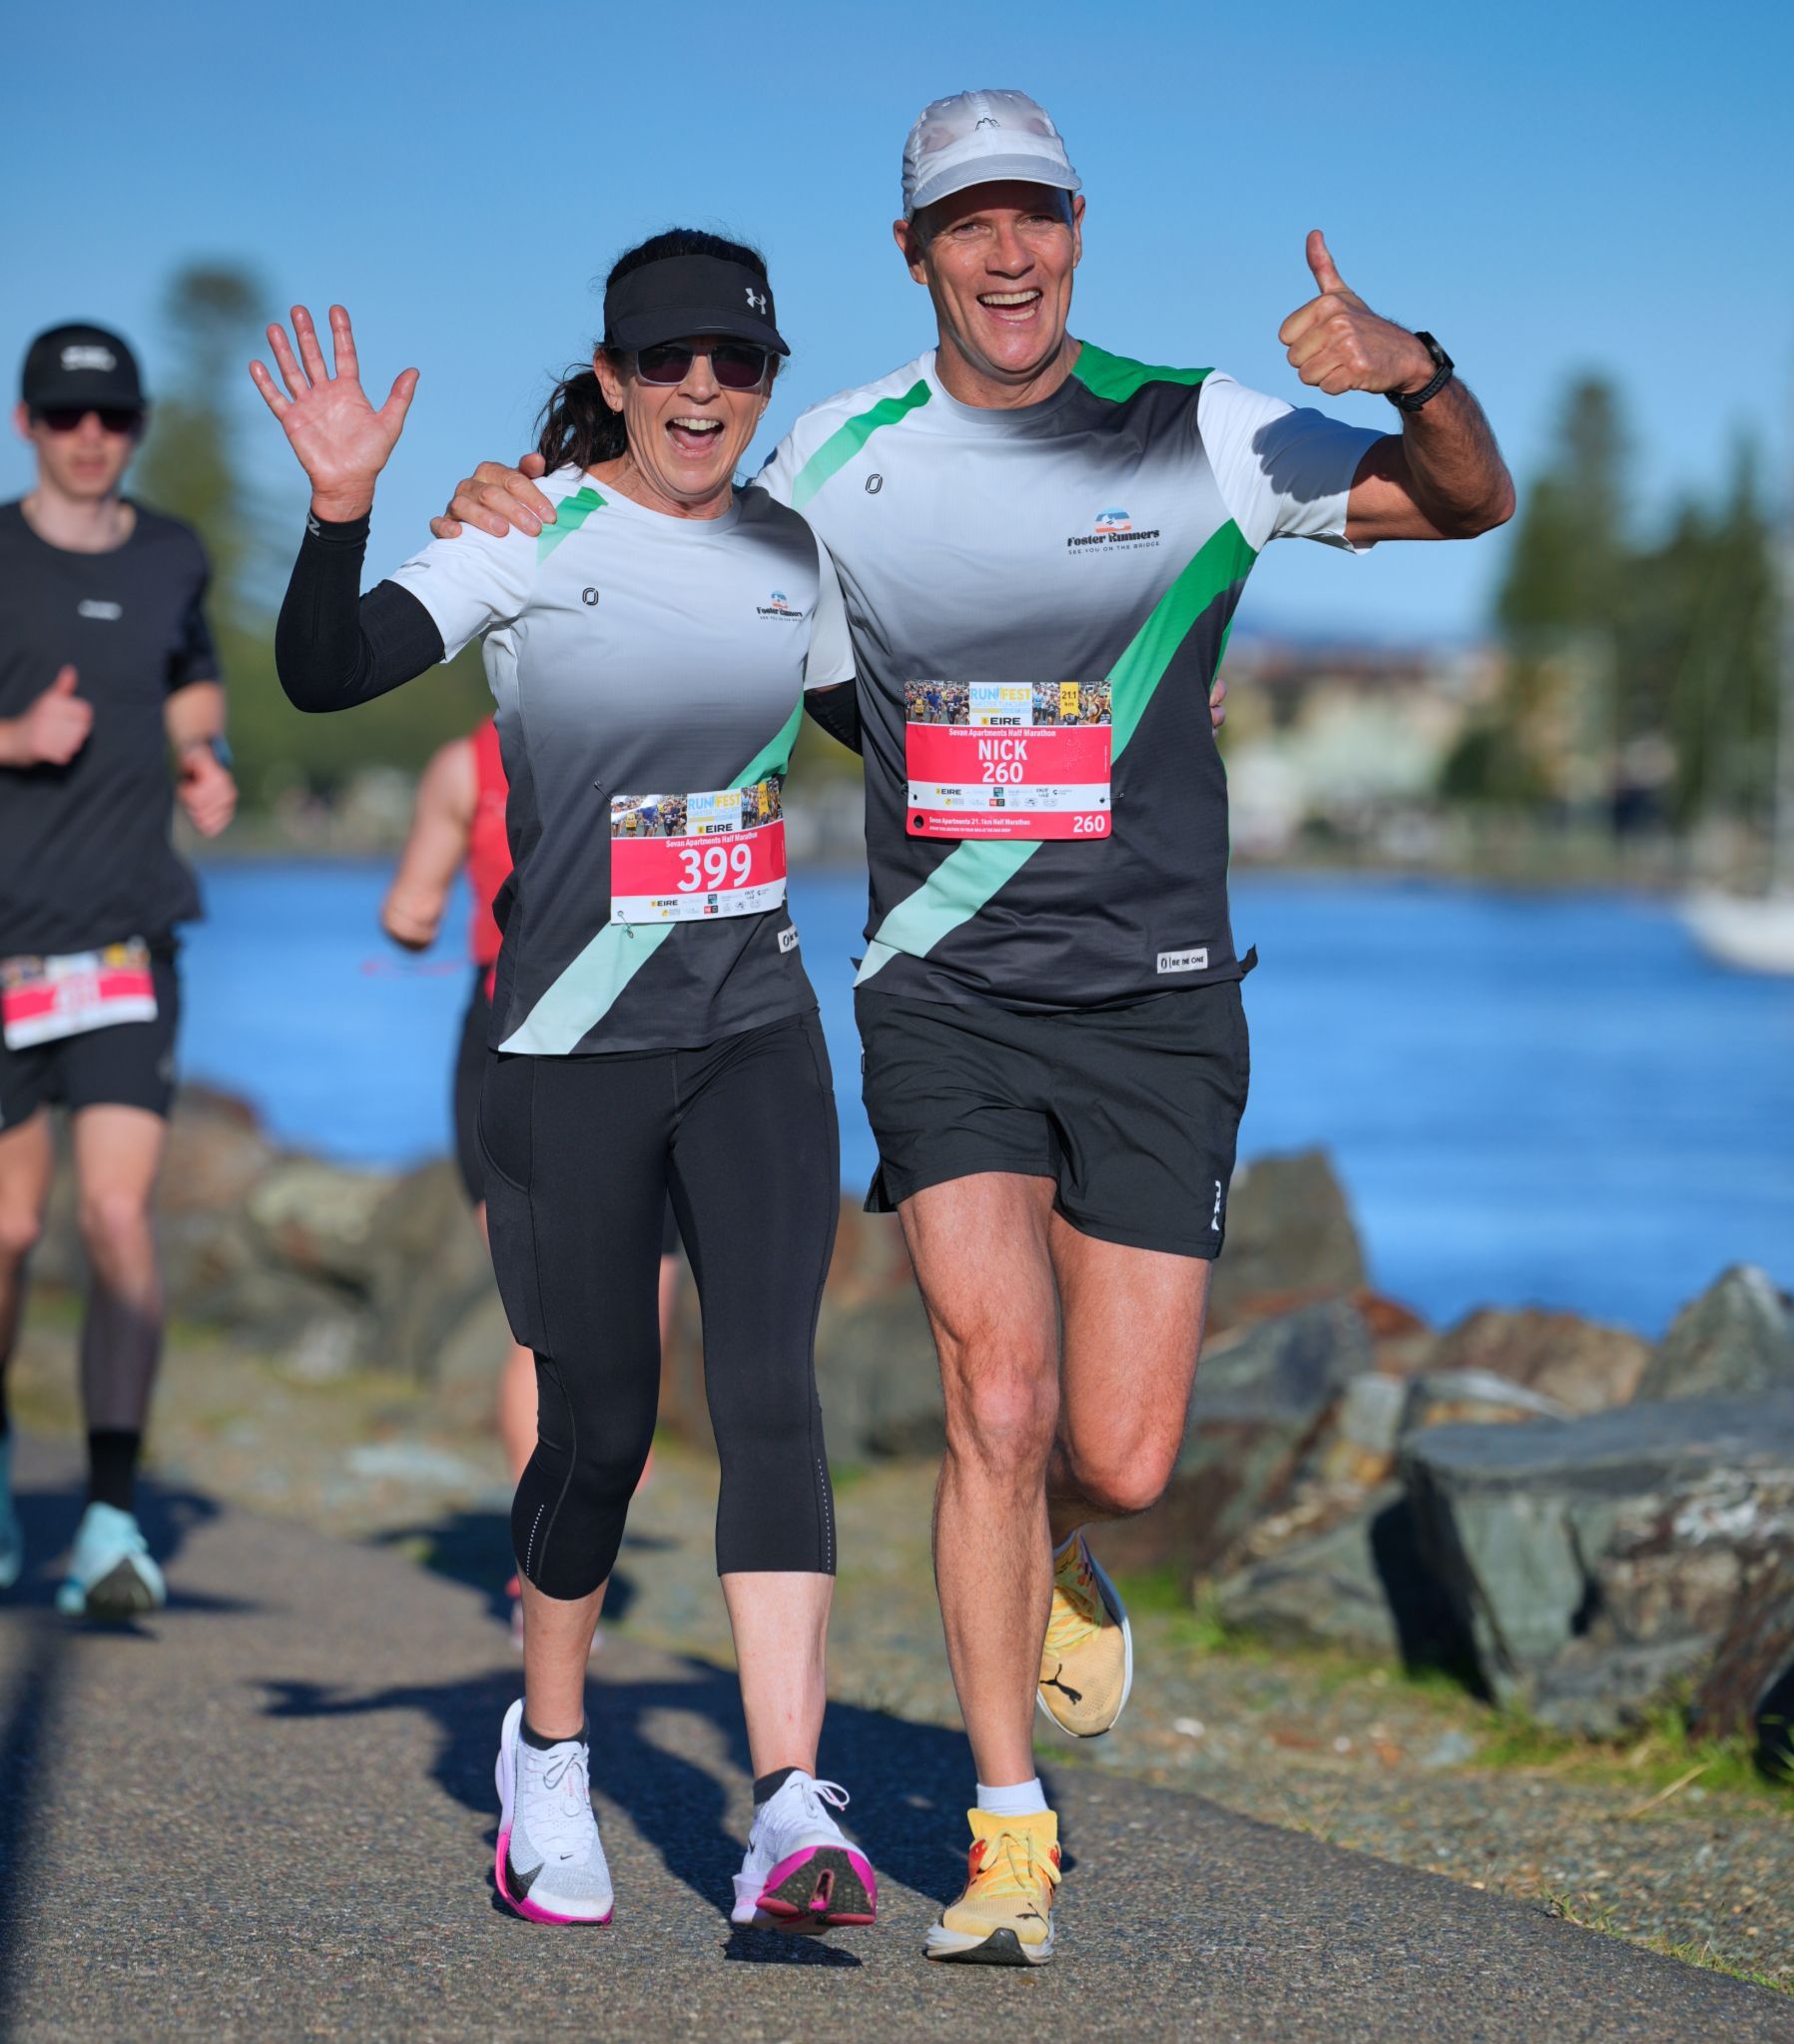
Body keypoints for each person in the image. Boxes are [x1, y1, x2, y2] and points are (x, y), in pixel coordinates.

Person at [440, 90, 1514, 1967]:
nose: (1008, 254)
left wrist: (1421, 375)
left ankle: (1068, 1555)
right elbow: (698, 562)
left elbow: (1463, 497)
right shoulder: (842, 456)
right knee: (991, 1400)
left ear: (1076, 232)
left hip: (1162, 1000)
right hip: (937, 987)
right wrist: (512, 502)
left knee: (1128, 1443)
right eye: (968, 224)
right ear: (912, 251)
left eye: (1037, 218)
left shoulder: (1205, 427)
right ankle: (1003, 1823)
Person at [252, 231, 876, 1935]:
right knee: (598, 1430)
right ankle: (546, 1749)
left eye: (735, 365)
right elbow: (326, 668)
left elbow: (896, 738)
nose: (700, 391)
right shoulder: (526, 531)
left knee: (767, 1395)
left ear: (765, 382)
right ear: (610, 377)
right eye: (665, 361)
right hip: (570, 1050)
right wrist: (338, 508)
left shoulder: (786, 553)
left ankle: (789, 1804)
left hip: (754, 1027)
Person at [0, 323, 237, 1619]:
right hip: (4, 936)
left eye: (111, 418)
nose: (90, 438)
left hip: (127, 937)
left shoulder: (169, 552)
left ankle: (106, 1514)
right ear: (29, 422)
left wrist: (206, 760)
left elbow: (192, 681)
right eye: (63, 415)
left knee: (114, 1217)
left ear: (132, 427)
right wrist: (15, 734)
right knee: (10, 1229)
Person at [380, 717, 679, 1646]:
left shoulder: (654, 734)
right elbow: (409, 904)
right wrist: (420, 912)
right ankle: (539, 1578)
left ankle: (581, 1527)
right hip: (512, 1041)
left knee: (645, 1321)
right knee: (544, 1328)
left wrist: (409, 921)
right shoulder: (463, 763)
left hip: (648, 1035)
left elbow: (403, 919)